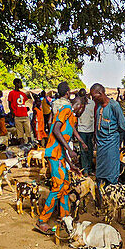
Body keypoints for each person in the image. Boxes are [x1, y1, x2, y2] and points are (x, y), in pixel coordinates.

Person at [35, 83, 84, 234]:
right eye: (83, 108)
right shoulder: (66, 110)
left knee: (66, 185)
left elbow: (62, 143)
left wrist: (71, 163)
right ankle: (42, 220)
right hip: (54, 154)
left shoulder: (71, 117)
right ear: (79, 106)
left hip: (60, 155)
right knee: (57, 187)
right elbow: (55, 129)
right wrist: (70, 150)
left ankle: (65, 217)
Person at [90, 83, 125, 189]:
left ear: (101, 93)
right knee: (100, 174)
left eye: (94, 97)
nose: (93, 99)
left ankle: (112, 195)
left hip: (111, 145)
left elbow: (124, 127)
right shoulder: (98, 108)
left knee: (111, 173)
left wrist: (112, 135)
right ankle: (100, 198)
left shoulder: (114, 106)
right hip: (101, 146)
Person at [75, 87, 96, 172]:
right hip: (81, 130)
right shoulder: (78, 104)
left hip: (90, 130)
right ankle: (85, 170)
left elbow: (95, 116)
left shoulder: (92, 103)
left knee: (90, 151)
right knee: (83, 151)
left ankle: (90, 168)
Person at [8, 79, 31, 143]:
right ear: (16, 84)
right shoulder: (11, 93)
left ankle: (30, 144)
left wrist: (26, 108)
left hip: (25, 115)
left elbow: (23, 103)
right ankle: (22, 146)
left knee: (28, 132)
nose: (21, 84)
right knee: (20, 133)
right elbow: (9, 104)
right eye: (20, 83)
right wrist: (13, 112)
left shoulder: (22, 94)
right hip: (17, 116)